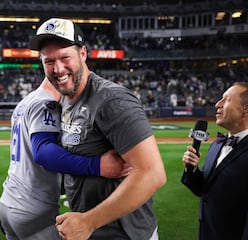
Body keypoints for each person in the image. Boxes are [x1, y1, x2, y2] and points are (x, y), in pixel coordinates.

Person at [29, 18, 167, 240]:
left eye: (65, 57)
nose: (58, 69)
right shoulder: (65, 101)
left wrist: (88, 222)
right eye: (48, 61)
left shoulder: (112, 100)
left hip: (123, 234)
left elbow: (153, 174)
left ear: (83, 54)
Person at [0, 76, 131, 240]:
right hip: (32, 207)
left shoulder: (25, 101)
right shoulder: (46, 103)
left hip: (9, 200)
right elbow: (43, 152)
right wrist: (98, 166)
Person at [181, 82, 248, 240]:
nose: (217, 104)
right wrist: (192, 169)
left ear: (246, 109)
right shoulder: (217, 144)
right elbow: (203, 189)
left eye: (227, 100)